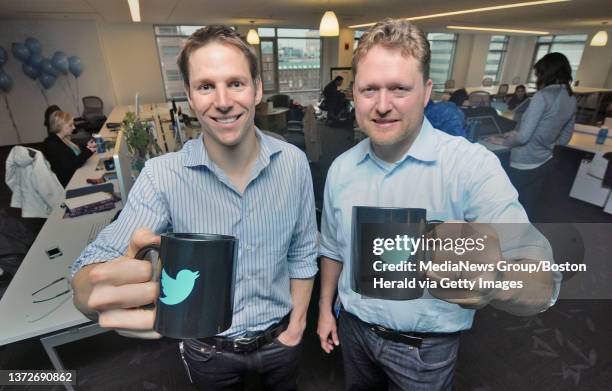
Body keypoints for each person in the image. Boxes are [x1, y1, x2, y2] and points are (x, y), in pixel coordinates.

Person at [316, 18, 560, 390]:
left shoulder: (470, 167)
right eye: (369, 90)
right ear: (354, 94)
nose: (382, 105)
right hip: (354, 331)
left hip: (424, 350)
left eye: (399, 88)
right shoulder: (342, 169)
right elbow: (333, 248)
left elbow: (543, 279)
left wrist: (496, 280)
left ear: (426, 92)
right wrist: (325, 311)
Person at [70, 25, 318, 390]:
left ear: (257, 89)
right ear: (189, 95)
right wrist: (88, 289)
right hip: (208, 351)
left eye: (236, 83)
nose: (222, 100)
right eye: (206, 86)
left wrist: (297, 326)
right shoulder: (162, 176)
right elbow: (100, 259)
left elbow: (303, 251)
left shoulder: (294, 163)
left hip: (281, 340)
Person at [488, 53, 576, 219]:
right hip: (545, 160)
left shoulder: (542, 96)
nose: (538, 78)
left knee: (508, 205)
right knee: (528, 205)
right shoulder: (571, 98)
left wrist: (502, 140)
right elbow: (565, 138)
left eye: (539, 73)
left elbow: (523, 138)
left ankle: (503, 240)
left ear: (546, 73)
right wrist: (545, 141)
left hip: (524, 161)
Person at [42, 111, 97, 187]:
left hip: (77, 174)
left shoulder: (63, 138)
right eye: (70, 125)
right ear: (60, 126)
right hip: (70, 183)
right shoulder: (52, 144)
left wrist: (88, 147)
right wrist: (88, 151)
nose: (74, 127)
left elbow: (74, 155)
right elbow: (71, 166)